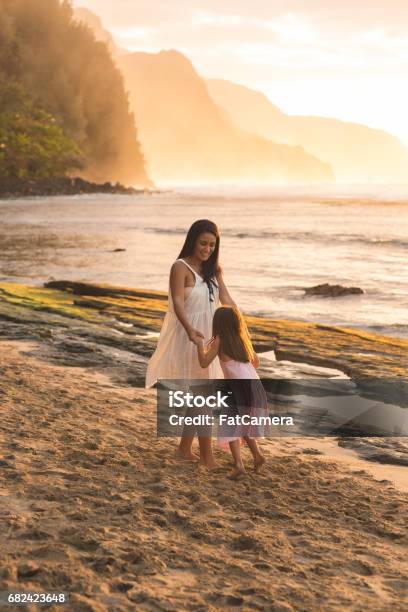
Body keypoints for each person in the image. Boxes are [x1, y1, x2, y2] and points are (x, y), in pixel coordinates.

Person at [145, 219, 236, 469]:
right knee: (203, 398)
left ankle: (184, 450)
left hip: (212, 335)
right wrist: (190, 331)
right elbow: (177, 303)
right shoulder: (180, 267)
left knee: (201, 397)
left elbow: (225, 298)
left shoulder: (215, 270)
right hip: (191, 338)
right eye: (203, 243)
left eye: (212, 245)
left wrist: (239, 325)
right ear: (193, 240)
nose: (207, 249)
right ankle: (207, 457)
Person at [195, 306, 267, 479]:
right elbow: (256, 363)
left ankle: (239, 465)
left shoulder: (219, 340)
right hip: (254, 386)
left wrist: (199, 344)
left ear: (218, 323)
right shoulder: (241, 339)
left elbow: (204, 362)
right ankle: (257, 456)